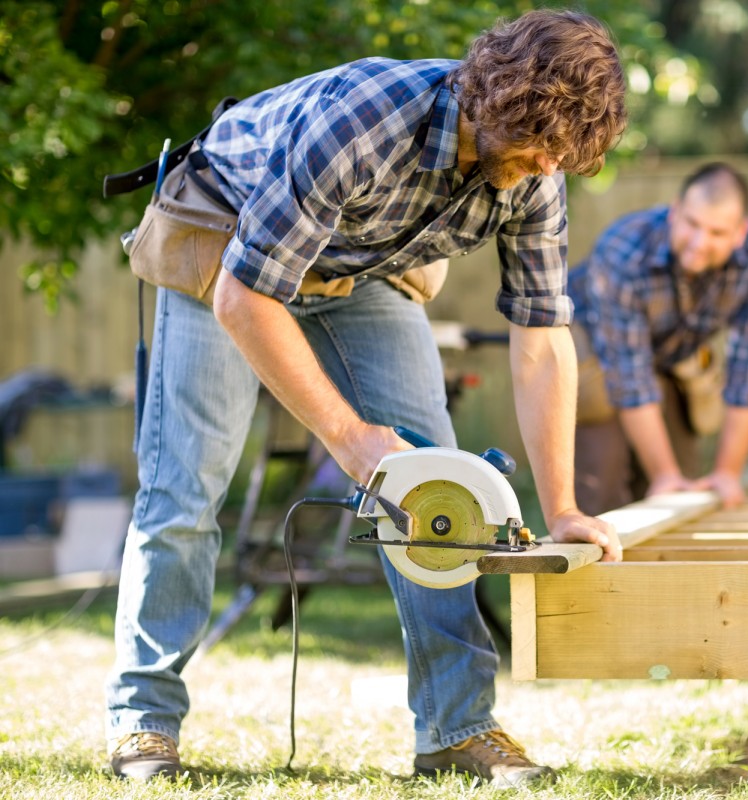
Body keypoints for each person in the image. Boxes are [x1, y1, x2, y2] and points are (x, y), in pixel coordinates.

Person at [105, 9, 625, 788]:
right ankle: (144, 722)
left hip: (357, 271)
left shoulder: (535, 176)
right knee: (186, 487)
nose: (551, 167)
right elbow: (247, 298)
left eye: (564, 155)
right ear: (496, 103)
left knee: (440, 491)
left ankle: (457, 729)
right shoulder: (365, 121)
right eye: (541, 146)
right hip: (229, 245)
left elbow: (544, 336)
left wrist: (564, 507)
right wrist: (349, 439)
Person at [568, 163, 748, 514]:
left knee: (685, 486)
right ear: (675, 211)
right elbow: (629, 374)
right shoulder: (625, 249)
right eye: (692, 224)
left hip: (669, 354)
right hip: (592, 349)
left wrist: (728, 473)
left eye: (717, 233)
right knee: (605, 483)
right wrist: (663, 474)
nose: (700, 243)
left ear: (740, 233)